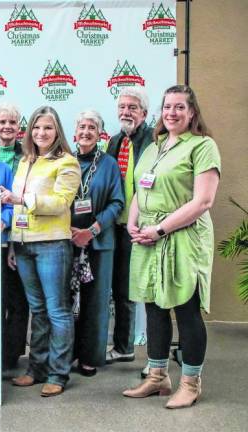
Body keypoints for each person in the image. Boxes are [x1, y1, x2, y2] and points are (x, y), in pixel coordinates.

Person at [122, 85, 220, 409]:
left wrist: (160, 228)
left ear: (192, 112)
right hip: (148, 236)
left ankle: (191, 383)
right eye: (167, 107)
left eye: (180, 107)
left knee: (185, 309)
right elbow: (140, 188)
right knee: (153, 307)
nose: (172, 113)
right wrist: (133, 223)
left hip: (181, 236)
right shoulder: (155, 146)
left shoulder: (203, 146)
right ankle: (158, 377)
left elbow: (203, 200)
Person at [0, 106, 80, 397]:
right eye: (36, 128)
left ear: (57, 131)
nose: (41, 133)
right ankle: (36, 369)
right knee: (38, 311)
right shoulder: (25, 161)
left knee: (57, 311)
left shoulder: (67, 162)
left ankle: (58, 373)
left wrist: (21, 198)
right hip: (23, 246)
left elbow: (60, 203)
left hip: (51, 244)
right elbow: (17, 209)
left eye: (47, 128)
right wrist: (13, 245)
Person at [70, 110, 124, 377]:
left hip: (100, 243)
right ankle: (67, 353)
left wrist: (91, 230)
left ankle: (90, 357)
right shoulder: (64, 161)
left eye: (92, 127)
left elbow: (117, 203)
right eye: (82, 126)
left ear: (100, 134)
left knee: (95, 301)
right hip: (66, 241)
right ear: (74, 132)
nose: (86, 132)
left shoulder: (109, 164)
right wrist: (67, 230)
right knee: (66, 300)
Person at [105, 87, 154, 365]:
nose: (126, 112)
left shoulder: (153, 141)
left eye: (132, 108)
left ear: (144, 114)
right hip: (117, 226)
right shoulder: (114, 142)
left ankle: (155, 356)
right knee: (121, 290)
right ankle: (123, 347)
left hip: (144, 227)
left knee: (147, 290)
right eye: (122, 107)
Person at [0, 103, 27, 371]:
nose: (7, 127)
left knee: (17, 298)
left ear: (19, 127)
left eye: (12, 122)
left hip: (21, 231)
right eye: (2, 122)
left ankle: (11, 355)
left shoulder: (29, 155)